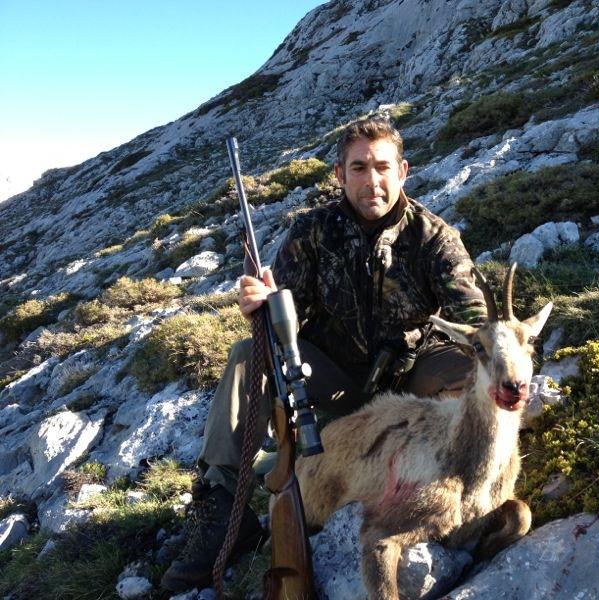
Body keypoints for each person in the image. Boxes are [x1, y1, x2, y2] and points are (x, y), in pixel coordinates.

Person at [161, 117, 487, 592]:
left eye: (382, 167)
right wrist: (261, 306)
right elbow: (282, 322)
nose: (372, 181)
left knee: (477, 368)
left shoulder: (435, 238)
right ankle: (222, 507)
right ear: (339, 174)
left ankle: (462, 483)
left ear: (403, 171)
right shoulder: (311, 232)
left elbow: (475, 322)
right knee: (249, 355)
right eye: (359, 168)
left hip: (411, 386)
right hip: (335, 384)